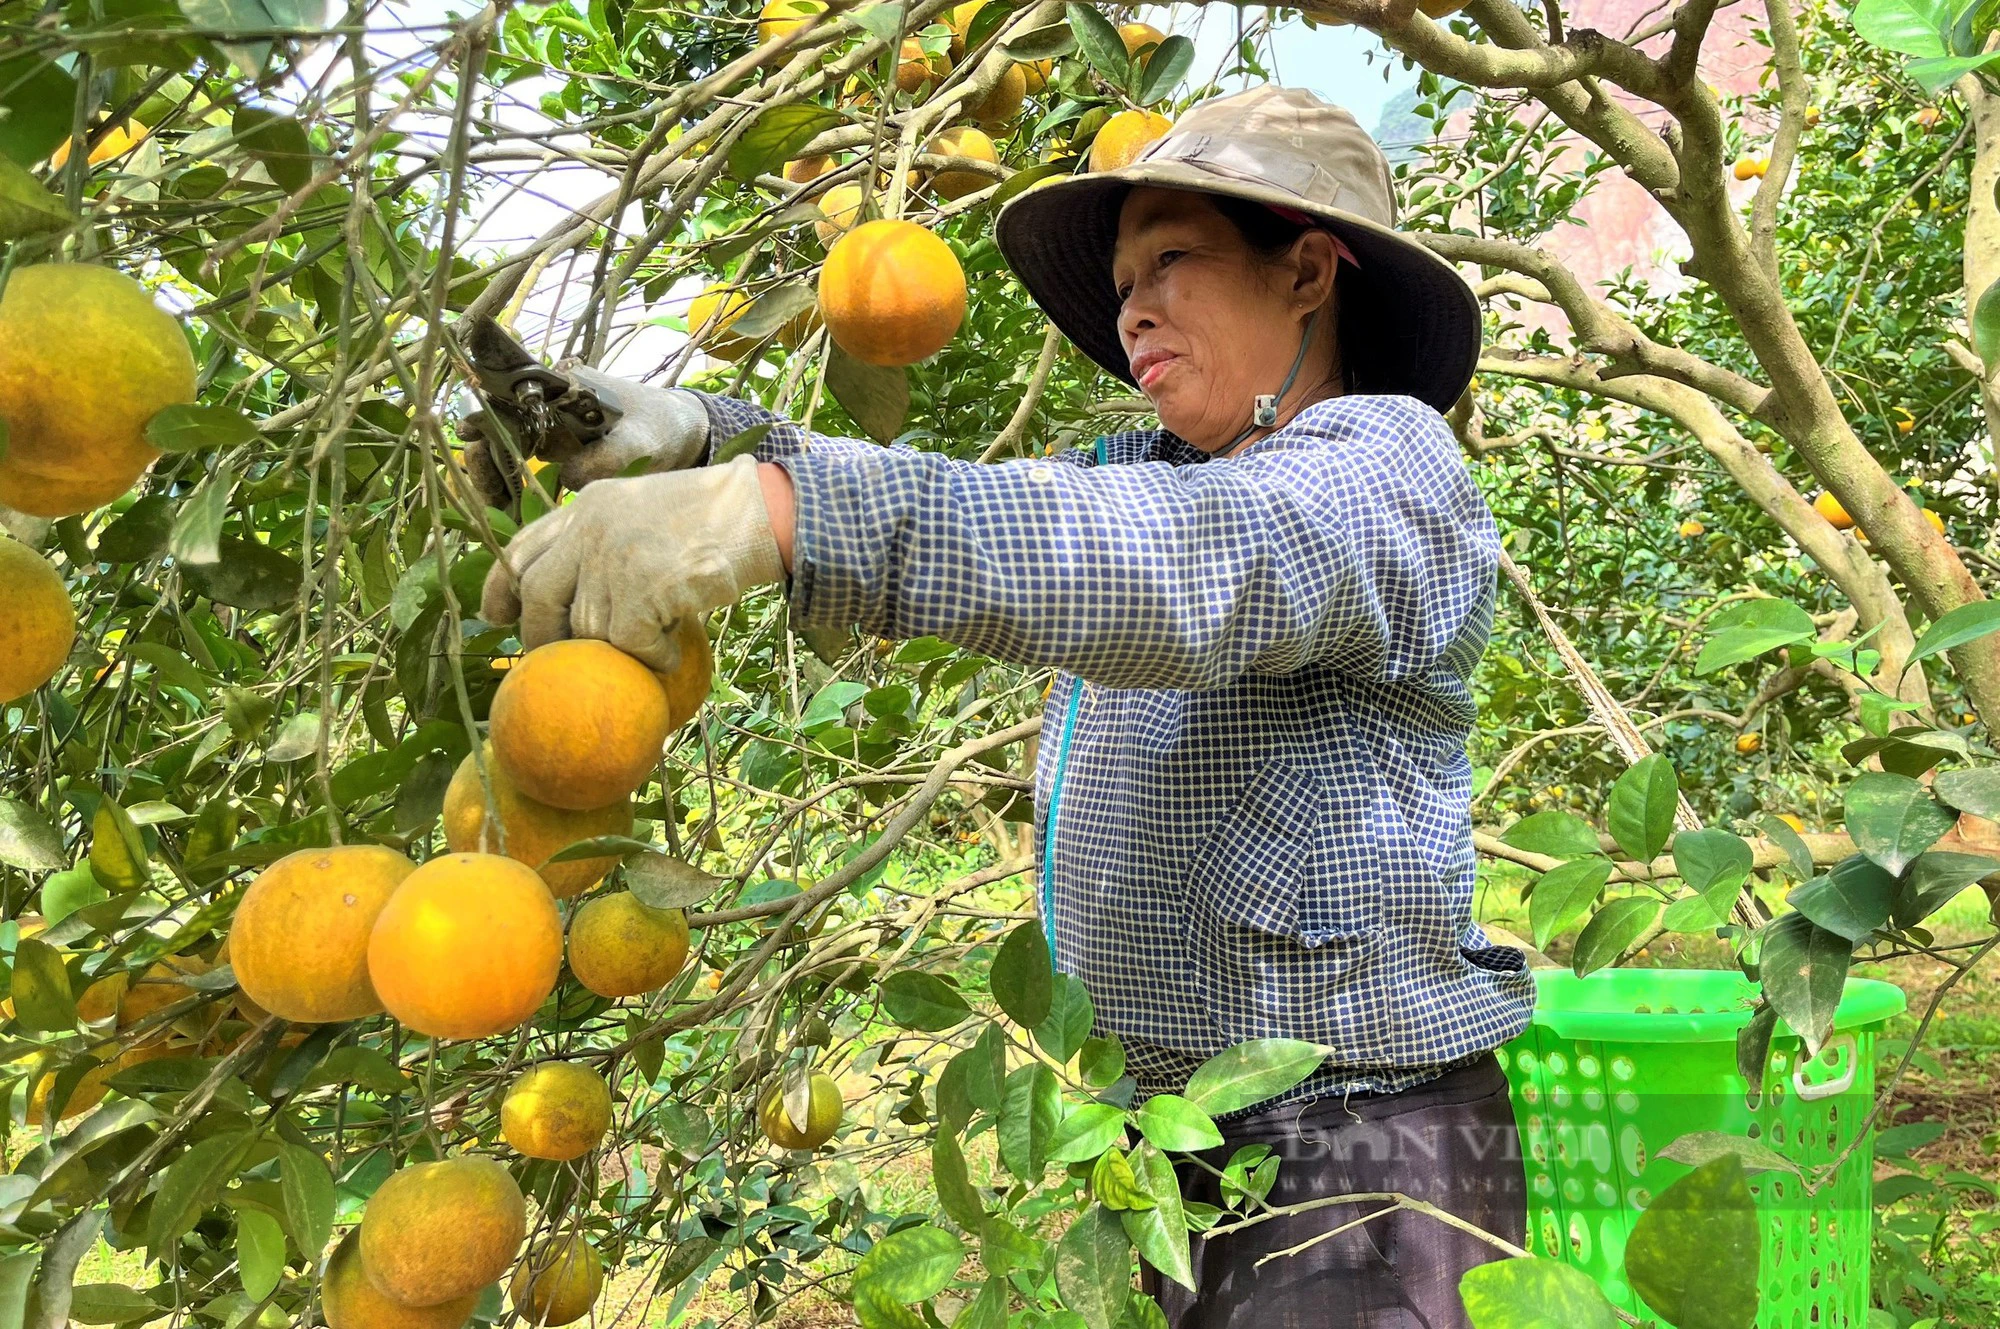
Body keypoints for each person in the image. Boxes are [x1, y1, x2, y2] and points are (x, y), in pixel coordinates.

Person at [474, 85, 1535, 1329]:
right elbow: (980, 507)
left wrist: (771, 519)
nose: (1132, 305)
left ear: (1306, 272)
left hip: (1355, 1154)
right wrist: (707, 436)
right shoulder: (1149, 472)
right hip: (1176, 1142)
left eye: (1170, 260)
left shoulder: (1384, 466)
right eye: (1122, 277)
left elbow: (1192, 564)